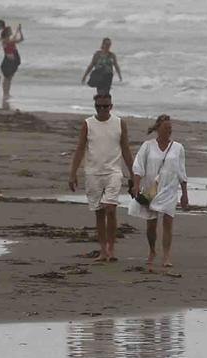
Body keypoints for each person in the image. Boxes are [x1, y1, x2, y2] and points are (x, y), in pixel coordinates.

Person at [68, 91, 133, 262]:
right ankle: (103, 250)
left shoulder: (120, 123)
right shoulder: (88, 124)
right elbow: (80, 149)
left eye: (106, 106)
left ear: (111, 106)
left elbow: (126, 149)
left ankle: (111, 248)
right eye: (99, 106)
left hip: (113, 172)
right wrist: (73, 173)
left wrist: (134, 174)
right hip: (93, 173)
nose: (102, 109)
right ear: (95, 107)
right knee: (99, 212)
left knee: (110, 209)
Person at [131, 114, 191, 272]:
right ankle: (152, 250)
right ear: (158, 129)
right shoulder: (148, 146)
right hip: (152, 189)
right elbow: (138, 166)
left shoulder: (178, 148)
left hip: (170, 189)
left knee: (168, 222)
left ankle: (166, 256)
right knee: (151, 225)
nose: (169, 131)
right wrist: (136, 185)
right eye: (166, 128)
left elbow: (181, 171)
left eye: (170, 128)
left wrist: (184, 194)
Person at [0, 23, 24, 110]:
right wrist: (16, 31)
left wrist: (20, 31)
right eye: (10, 31)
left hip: (13, 61)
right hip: (7, 60)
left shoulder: (10, 39)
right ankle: (5, 93)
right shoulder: (4, 40)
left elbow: (21, 39)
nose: (11, 32)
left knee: (10, 78)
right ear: (7, 33)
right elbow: (12, 41)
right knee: (6, 77)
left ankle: (7, 93)